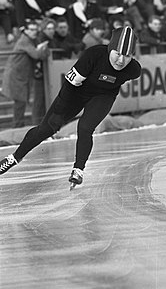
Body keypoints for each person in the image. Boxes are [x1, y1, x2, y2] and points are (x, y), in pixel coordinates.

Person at [0, 26, 141, 188]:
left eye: (127, 56)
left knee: (85, 127)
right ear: (109, 49)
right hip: (76, 91)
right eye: (117, 54)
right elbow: (70, 84)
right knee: (47, 128)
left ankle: (78, 170)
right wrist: (60, 110)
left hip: (103, 96)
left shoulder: (134, 70)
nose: (121, 61)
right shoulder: (93, 55)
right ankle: (14, 158)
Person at [1, 20, 49, 128]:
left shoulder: (32, 40)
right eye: (31, 30)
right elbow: (36, 54)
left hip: (22, 76)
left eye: (35, 30)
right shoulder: (24, 40)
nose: (34, 32)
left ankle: (18, 126)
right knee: (20, 103)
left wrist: (41, 48)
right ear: (26, 30)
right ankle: (17, 127)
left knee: (21, 103)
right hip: (16, 76)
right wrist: (42, 48)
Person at [32, 18, 57, 125]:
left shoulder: (51, 40)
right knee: (39, 102)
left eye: (52, 28)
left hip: (48, 74)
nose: (51, 31)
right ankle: (36, 124)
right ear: (43, 29)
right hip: (40, 75)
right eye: (48, 28)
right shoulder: (40, 40)